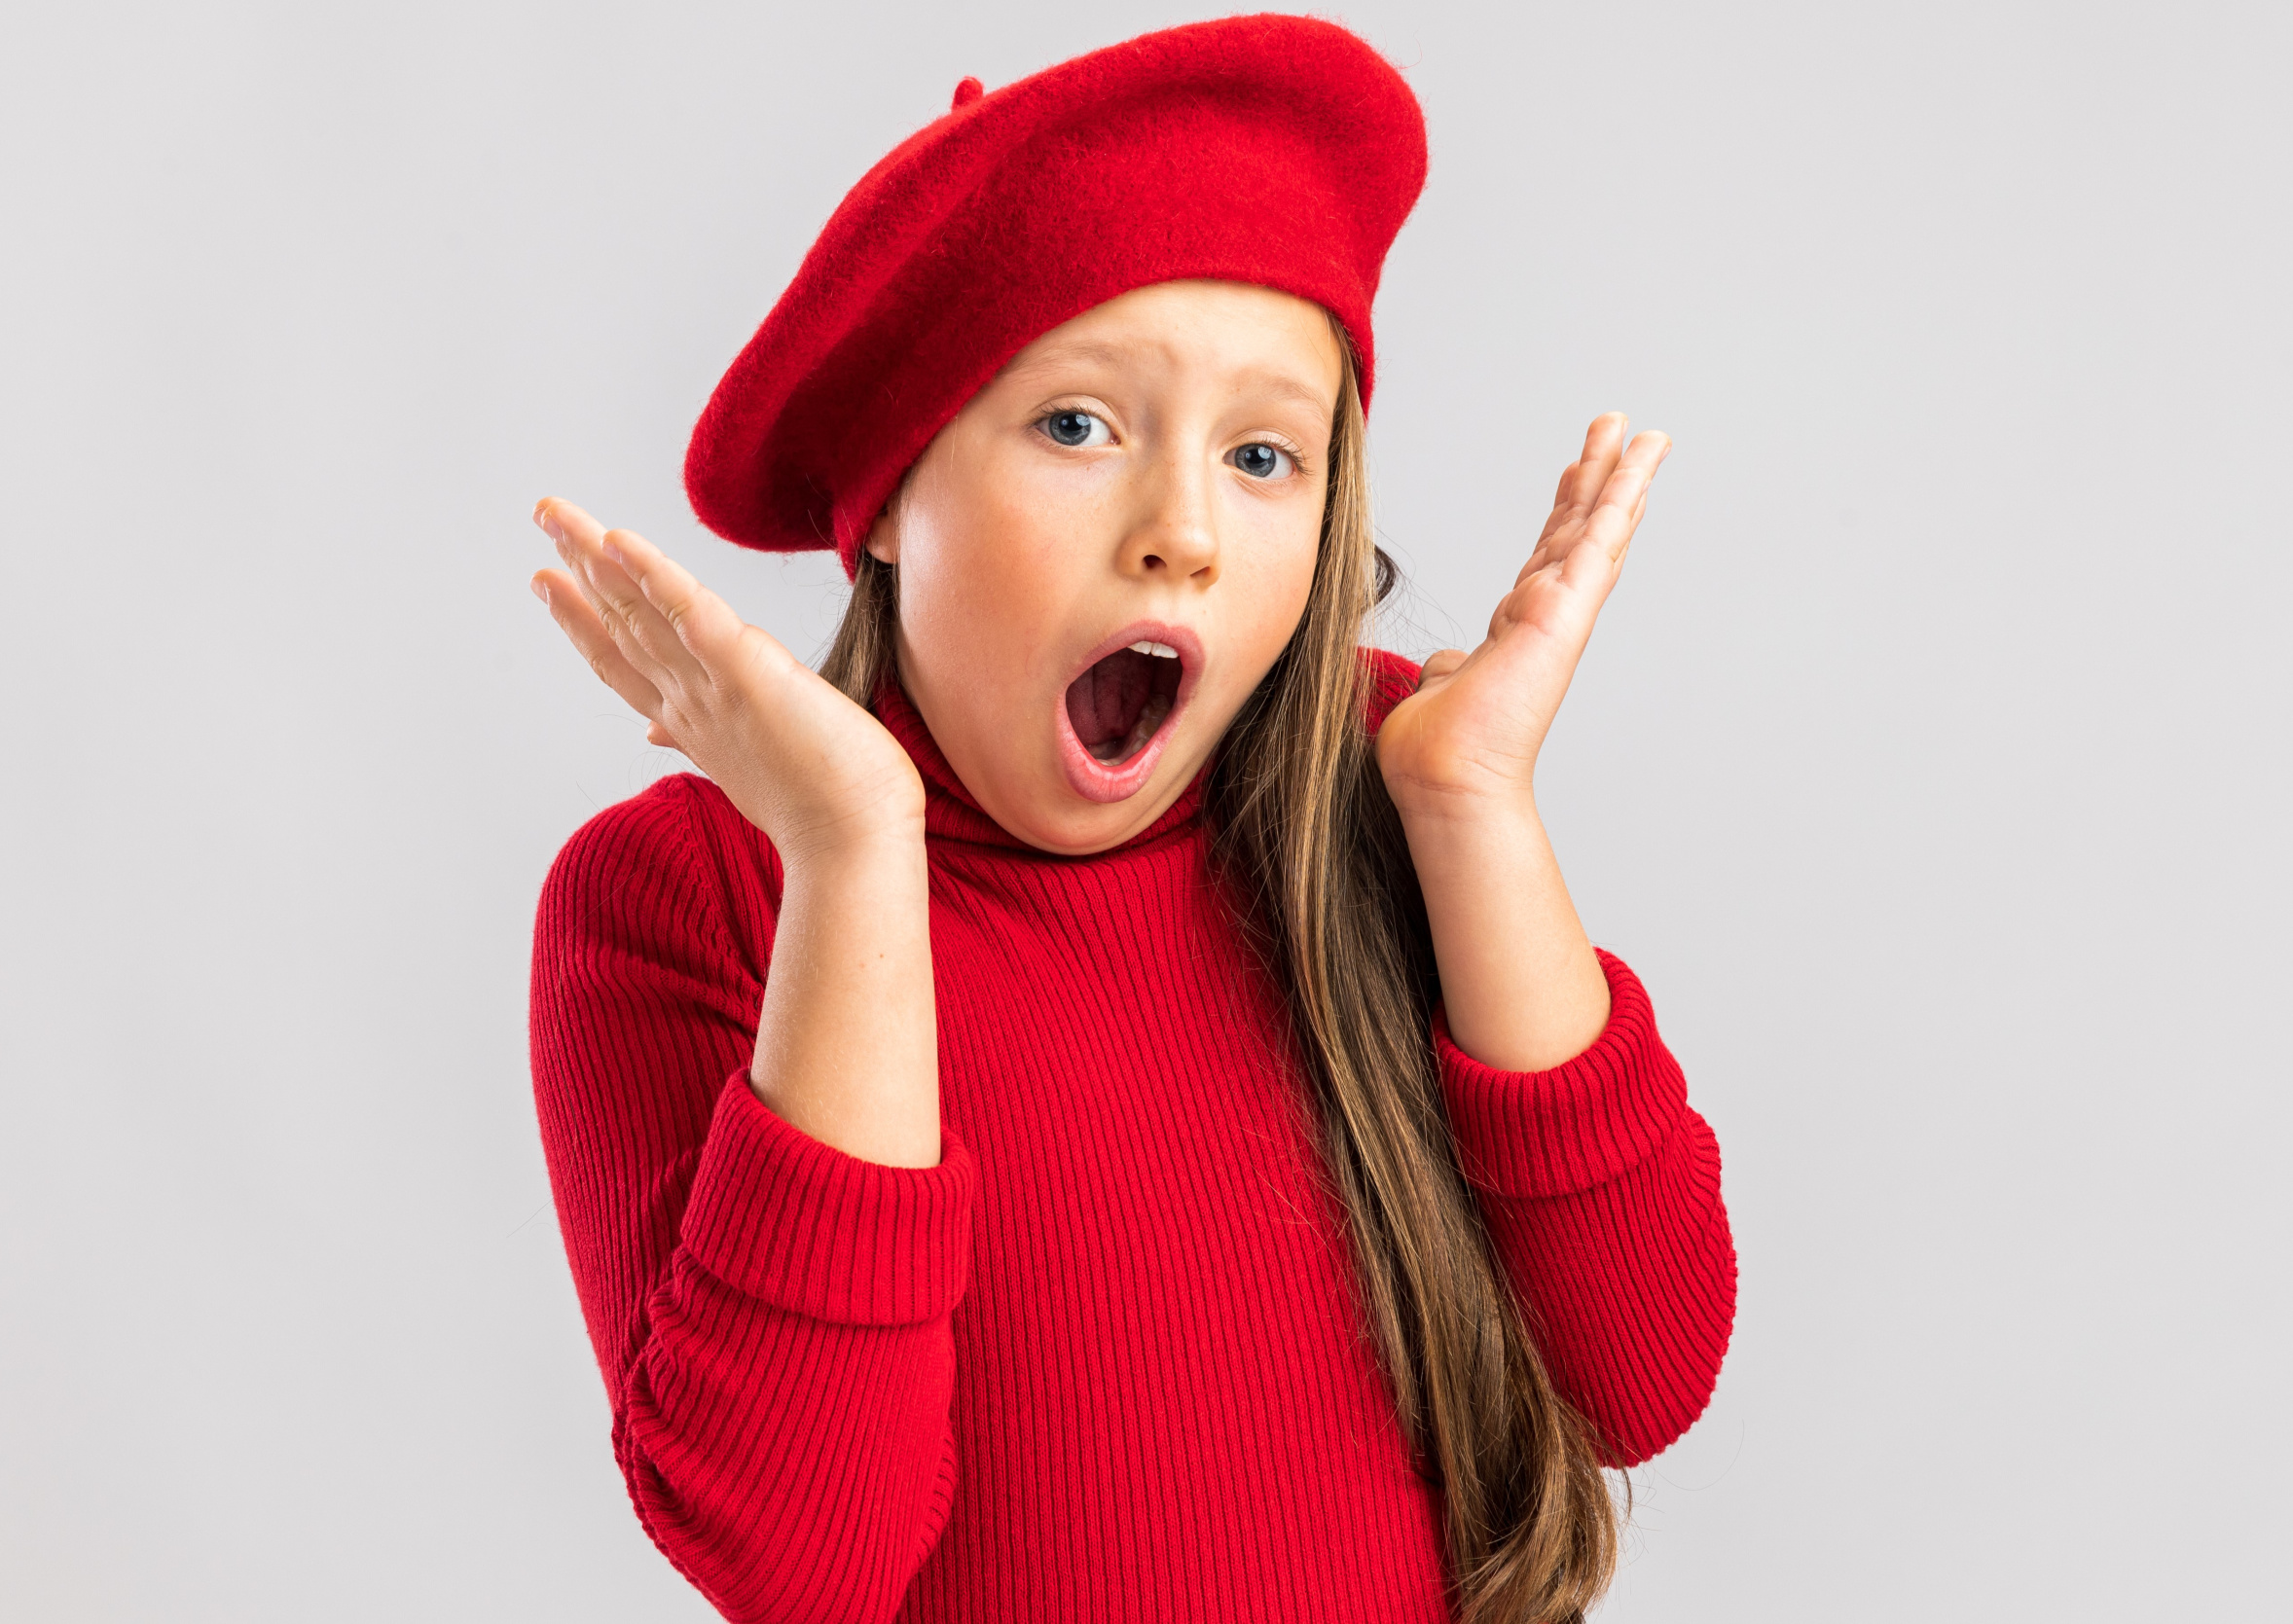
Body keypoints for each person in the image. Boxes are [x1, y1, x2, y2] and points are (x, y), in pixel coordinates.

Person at [525, 18, 1734, 1624]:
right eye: (1079, 424)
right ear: (886, 496)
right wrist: (856, 857)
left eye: (1260, 455)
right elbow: (801, 1561)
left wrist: (1473, 806)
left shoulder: (1382, 784)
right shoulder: (691, 896)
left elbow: (1643, 1371)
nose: (1182, 533)